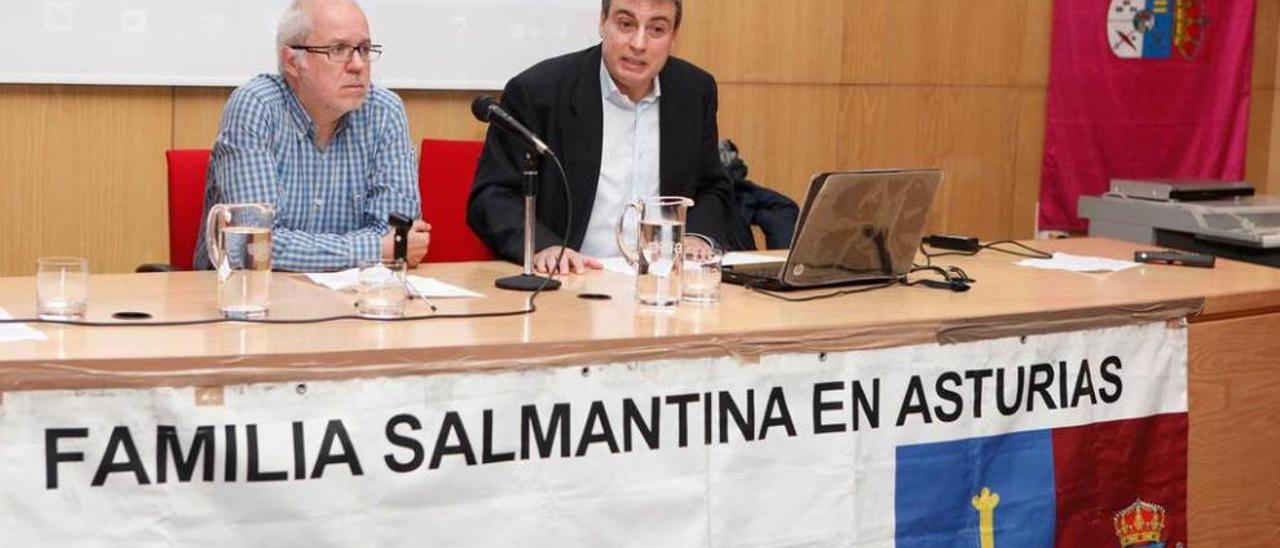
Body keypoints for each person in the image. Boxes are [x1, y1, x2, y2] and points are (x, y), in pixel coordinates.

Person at [468, 0, 735, 275]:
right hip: (575, 280)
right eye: (626, 24)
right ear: (603, 22)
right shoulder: (539, 92)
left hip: (665, 280)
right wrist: (544, 246)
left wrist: (696, 236)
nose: (639, 43)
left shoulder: (694, 92)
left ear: (673, 38)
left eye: (656, 29)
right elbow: (492, 195)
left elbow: (712, 187)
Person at [194, 0, 429, 272]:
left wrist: (389, 247)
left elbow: (400, 236)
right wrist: (375, 248)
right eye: (338, 49)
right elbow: (253, 247)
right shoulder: (256, 107)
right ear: (292, 62)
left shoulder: (385, 111)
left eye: (364, 49)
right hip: (251, 299)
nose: (358, 65)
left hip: (355, 300)